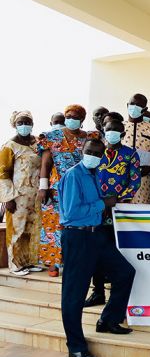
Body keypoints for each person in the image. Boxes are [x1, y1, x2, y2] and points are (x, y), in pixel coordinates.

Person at [58, 138, 135, 357]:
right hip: (78, 235)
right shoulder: (74, 175)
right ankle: (75, 346)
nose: (92, 155)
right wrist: (104, 204)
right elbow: (72, 212)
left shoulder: (94, 174)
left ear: (102, 156)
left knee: (125, 272)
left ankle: (108, 320)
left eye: (97, 153)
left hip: (96, 234)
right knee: (75, 292)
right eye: (89, 151)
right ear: (82, 151)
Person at [83, 119, 141, 308]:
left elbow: (135, 181)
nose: (112, 133)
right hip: (97, 209)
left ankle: (117, 298)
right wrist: (100, 201)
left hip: (118, 210)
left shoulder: (130, 154)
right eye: (109, 130)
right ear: (103, 131)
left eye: (117, 131)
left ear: (123, 134)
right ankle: (97, 291)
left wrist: (118, 200)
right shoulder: (95, 152)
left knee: (117, 252)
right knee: (95, 251)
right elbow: (87, 177)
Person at [38, 104, 96, 277]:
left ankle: (73, 261)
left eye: (76, 116)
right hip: (56, 187)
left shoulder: (89, 138)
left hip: (81, 188)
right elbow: (46, 163)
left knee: (76, 224)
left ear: (83, 119)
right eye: (68, 116)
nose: (71, 119)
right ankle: (53, 263)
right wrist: (43, 187)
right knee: (53, 224)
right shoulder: (52, 136)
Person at [0, 111, 41, 275]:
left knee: (33, 228)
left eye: (27, 122)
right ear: (15, 125)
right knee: (17, 229)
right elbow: (3, 174)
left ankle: (30, 262)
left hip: (36, 194)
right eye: (21, 123)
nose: (25, 125)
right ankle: (15, 264)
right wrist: (8, 198)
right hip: (18, 196)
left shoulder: (37, 143)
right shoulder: (9, 146)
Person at [120, 93, 150, 204]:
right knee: (119, 210)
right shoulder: (119, 127)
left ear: (145, 109)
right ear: (127, 105)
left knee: (140, 212)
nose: (134, 107)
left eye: (138, 105)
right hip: (119, 178)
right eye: (132, 104)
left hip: (143, 180)